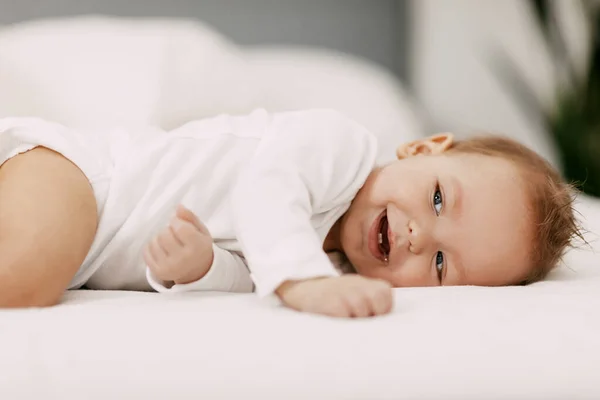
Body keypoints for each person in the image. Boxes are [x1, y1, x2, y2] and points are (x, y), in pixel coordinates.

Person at [0, 109, 580, 317]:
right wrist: (301, 283)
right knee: (25, 276)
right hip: (83, 179)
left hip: (86, 247)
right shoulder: (338, 146)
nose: (414, 235)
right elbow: (267, 189)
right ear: (421, 148)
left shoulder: (331, 261)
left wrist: (202, 267)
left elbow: (244, 277)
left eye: (439, 264)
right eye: (436, 200)